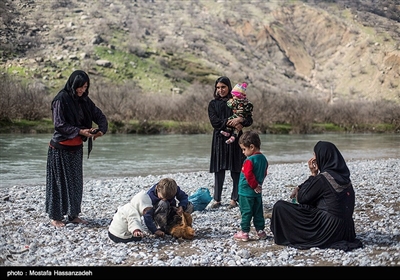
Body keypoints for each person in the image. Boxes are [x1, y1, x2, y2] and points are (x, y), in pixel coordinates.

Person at [270, 141, 363, 251]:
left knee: (280, 207)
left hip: (328, 229)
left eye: (315, 155)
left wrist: (313, 174)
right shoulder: (345, 177)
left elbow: (302, 198)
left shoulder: (323, 178)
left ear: (323, 157)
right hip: (346, 230)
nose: (314, 158)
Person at [45, 70, 108, 228]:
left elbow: (99, 115)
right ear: (72, 85)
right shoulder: (60, 100)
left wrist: (101, 130)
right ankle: (55, 216)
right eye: (79, 87)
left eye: (85, 87)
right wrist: (80, 131)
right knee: (59, 184)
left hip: (76, 148)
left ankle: (73, 215)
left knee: (75, 183)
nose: (82, 90)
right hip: (60, 149)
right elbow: (59, 124)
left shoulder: (85, 100)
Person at [208, 76, 253, 209]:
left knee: (236, 169)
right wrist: (233, 123)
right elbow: (214, 122)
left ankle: (235, 198)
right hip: (219, 140)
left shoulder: (237, 102)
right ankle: (217, 199)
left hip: (236, 140)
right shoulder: (213, 104)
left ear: (229, 87)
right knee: (219, 170)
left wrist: (241, 121)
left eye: (223, 87)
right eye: (218, 87)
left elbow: (248, 119)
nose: (220, 90)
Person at [233, 130, 268, 241]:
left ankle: (244, 232)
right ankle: (260, 231)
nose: (243, 152)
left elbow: (248, 174)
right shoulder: (263, 159)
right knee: (258, 211)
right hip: (257, 192)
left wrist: (253, 185)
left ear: (252, 147)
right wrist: (259, 184)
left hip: (245, 192)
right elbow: (264, 172)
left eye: (244, 149)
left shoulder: (249, 160)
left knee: (246, 211)